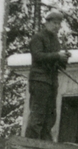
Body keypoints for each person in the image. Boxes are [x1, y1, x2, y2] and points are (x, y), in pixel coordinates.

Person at [24, 11, 70, 140]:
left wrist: (63, 59)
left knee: (50, 115)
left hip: (51, 81)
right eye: (54, 23)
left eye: (59, 23)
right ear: (47, 23)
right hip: (39, 80)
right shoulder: (38, 38)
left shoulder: (55, 41)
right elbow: (38, 56)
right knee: (38, 114)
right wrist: (57, 56)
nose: (57, 26)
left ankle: (45, 143)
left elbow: (54, 63)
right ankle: (31, 143)